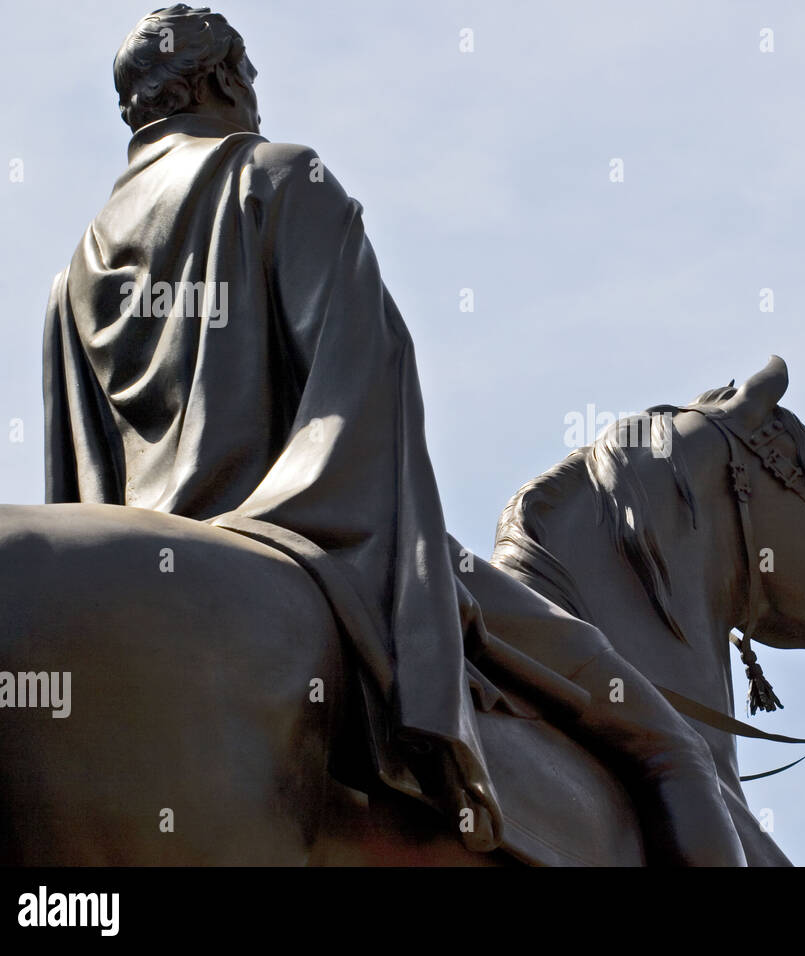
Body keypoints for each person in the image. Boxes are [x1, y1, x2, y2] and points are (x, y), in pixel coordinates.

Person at [44, 4, 745, 865]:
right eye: (251, 76)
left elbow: (82, 478)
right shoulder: (278, 177)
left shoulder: (75, 272)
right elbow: (364, 398)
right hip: (317, 535)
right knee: (672, 747)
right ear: (225, 79)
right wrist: (391, 576)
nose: (257, 94)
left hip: (147, 567)